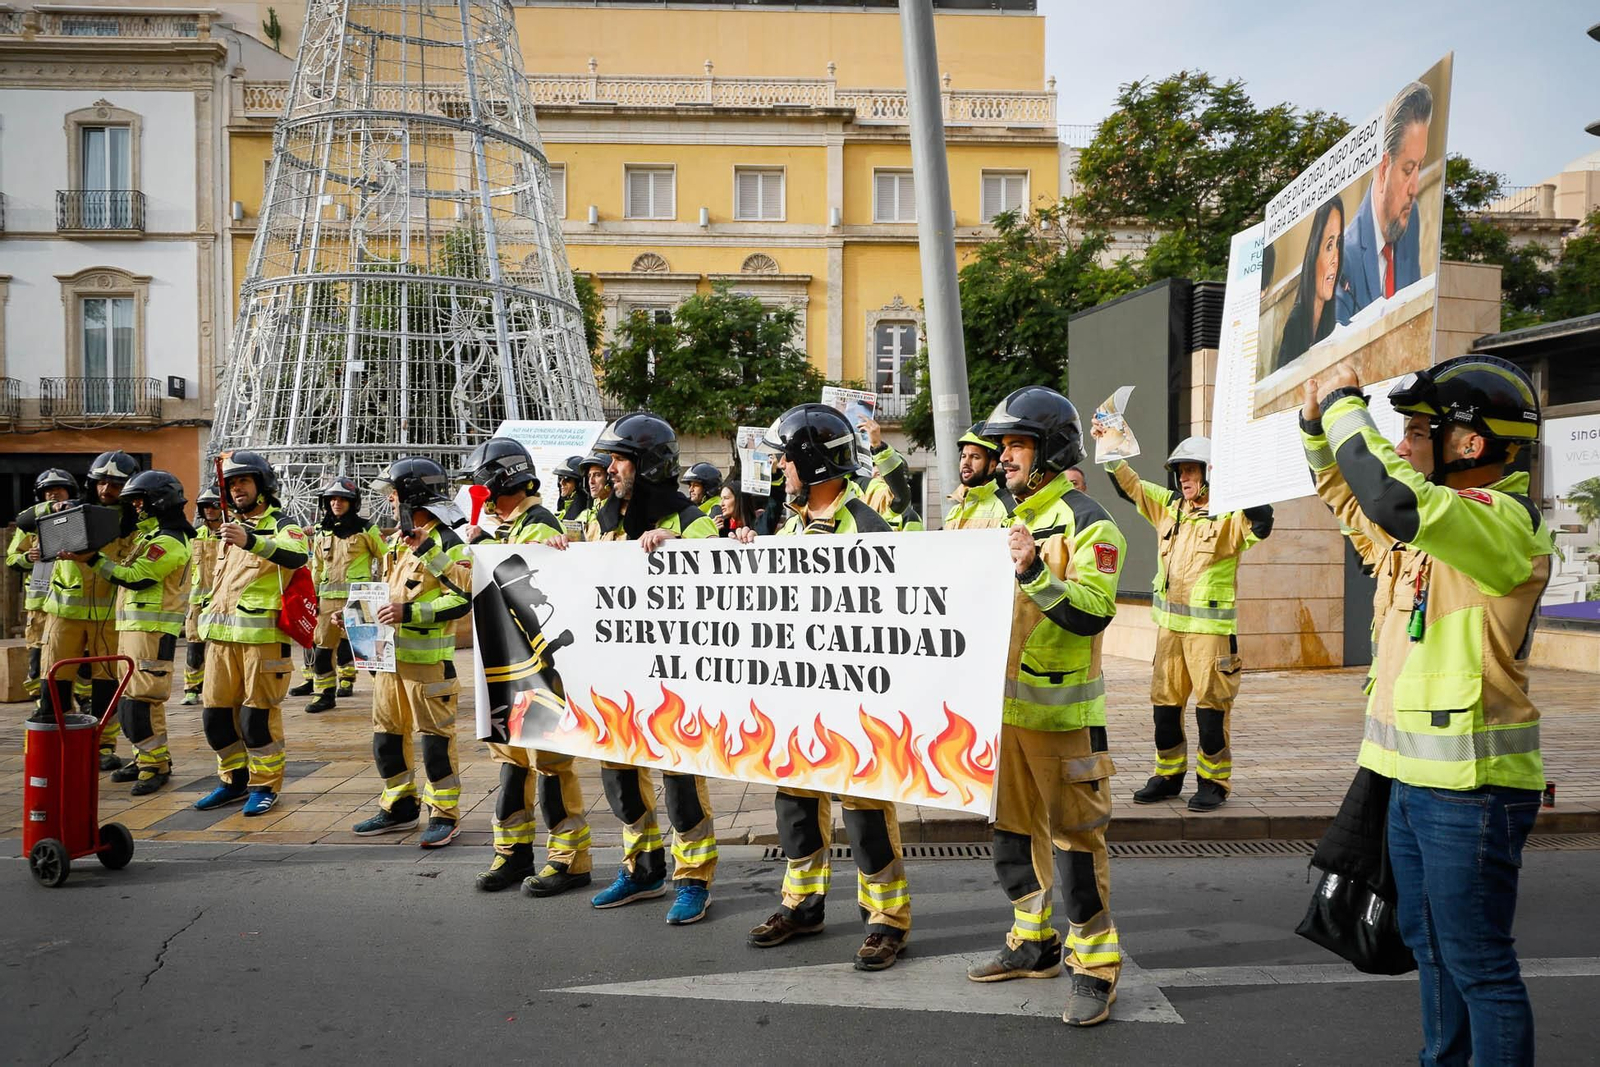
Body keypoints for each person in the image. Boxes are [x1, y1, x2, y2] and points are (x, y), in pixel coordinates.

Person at [1301, 355, 1550, 1065]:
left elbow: (1391, 498)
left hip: (1471, 791)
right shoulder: (1434, 533)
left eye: (1417, 430)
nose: (1404, 445)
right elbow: (1354, 496)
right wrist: (1318, 425)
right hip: (1411, 782)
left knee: (1479, 966)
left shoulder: (1502, 523)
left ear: (1471, 443)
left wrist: (1349, 402)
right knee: (1433, 952)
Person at [961, 387, 1127, 1027]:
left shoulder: (1090, 523)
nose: (1005, 457)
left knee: (1076, 847)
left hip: (1062, 722)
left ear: (1052, 449)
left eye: (1018, 445)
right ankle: (1032, 942)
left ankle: (1096, 969)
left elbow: (1093, 612)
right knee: (1009, 838)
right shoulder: (990, 519)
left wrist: (1034, 570)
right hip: (998, 719)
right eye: (1002, 446)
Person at [735, 403, 911, 971]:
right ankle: (802, 905)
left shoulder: (867, 525)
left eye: (785, 456)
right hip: (797, 702)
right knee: (796, 808)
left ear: (809, 462)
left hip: (854, 704)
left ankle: (886, 920)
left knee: (863, 815)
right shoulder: (787, 526)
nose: (779, 465)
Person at [585, 413, 722, 925]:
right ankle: (643, 870)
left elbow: (722, 589)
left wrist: (679, 551)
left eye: (619, 459)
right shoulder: (604, 520)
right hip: (617, 680)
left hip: (675, 681)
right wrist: (560, 554)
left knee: (680, 783)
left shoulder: (693, 520)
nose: (610, 468)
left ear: (647, 464)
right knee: (620, 779)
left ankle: (694, 878)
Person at [1099, 436, 1274, 811]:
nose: (1184, 478)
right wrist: (1111, 448)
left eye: (1191, 470)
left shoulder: (1229, 515)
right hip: (1169, 633)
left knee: (1211, 712)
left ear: (1211, 473)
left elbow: (1262, 523)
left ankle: (1213, 782)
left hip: (1210, 637)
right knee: (1164, 709)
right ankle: (1167, 776)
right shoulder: (1168, 507)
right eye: (1180, 471)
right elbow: (1129, 486)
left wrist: (1241, 482)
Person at [462, 439, 594, 897]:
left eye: (482, 481)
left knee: (551, 766)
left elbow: (532, 592)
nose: (477, 490)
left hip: (539, 673)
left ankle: (569, 859)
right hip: (504, 671)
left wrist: (484, 550)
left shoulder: (539, 527)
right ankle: (513, 854)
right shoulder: (496, 529)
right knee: (510, 765)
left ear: (503, 480)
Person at [349, 458, 472, 848]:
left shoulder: (449, 542)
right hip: (387, 662)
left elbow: (464, 598)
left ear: (413, 495)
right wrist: (355, 618)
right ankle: (399, 806)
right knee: (387, 737)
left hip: (428, 665)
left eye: (394, 492)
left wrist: (410, 612)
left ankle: (444, 813)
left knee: (434, 740)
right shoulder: (398, 540)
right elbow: (389, 595)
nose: (389, 499)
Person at [194, 451, 308, 816]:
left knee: (256, 719)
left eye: (243, 481)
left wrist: (251, 540)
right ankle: (232, 781)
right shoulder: (226, 528)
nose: (236, 490)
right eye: (230, 485)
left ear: (261, 484)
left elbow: (297, 554)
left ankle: (264, 786)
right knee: (215, 718)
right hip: (221, 641)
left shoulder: (281, 524)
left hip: (263, 641)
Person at [76, 471, 193, 796]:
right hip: (134, 631)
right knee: (137, 700)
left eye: (141, 501)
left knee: (138, 706)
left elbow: (137, 577)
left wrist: (94, 560)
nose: (137, 508)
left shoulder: (169, 540)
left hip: (152, 633)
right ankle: (151, 758)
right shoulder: (150, 536)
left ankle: (153, 766)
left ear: (160, 501)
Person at [37, 450, 142, 770]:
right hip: (63, 611)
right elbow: (30, 519)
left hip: (108, 615)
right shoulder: (69, 511)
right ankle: (54, 740)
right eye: (101, 482)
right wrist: (54, 507)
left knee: (106, 682)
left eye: (115, 484)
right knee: (53, 678)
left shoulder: (133, 523)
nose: (106, 490)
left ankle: (102, 745)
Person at [1338, 81, 1434, 323]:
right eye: (1408, 169)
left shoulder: (1411, 220)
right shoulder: (1344, 258)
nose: (1415, 188)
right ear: (1383, 169)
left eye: (1419, 168)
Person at [304, 477, 387, 713]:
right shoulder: (323, 531)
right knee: (322, 650)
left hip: (359, 599)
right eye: (332, 499)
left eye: (342, 499)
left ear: (353, 502)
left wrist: (380, 589)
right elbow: (316, 567)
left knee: (370, 653)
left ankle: (385, 695)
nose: (336, 503)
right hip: (328, 602)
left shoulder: (366, 528)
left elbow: (386, 557)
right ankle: (324, 695)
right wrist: (314, 599)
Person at [7, 469, 78, 704]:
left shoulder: (79, 521)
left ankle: (80, 700)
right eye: (47, 491)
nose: (53, 495)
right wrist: (28, 557)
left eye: (58, 489)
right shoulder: (29, 525)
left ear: (71, 492)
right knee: (38, 655)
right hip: (39, 606)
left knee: (75, 657)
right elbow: (11, 558)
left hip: (70, 605)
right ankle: (41, 701)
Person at [1275, 196, 1346, 369]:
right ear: (1314, 254)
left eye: (1338, 244)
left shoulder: (1331, 318)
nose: (1335, 259)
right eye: (1329, 246)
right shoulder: (1296, 323)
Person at [182, 487, 224, 705]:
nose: (209, 510)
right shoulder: (194, 536)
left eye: (214, 505)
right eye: (205, 506)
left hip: (223, 601)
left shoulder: (231, 535)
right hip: (197, 601)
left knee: (220, 648)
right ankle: (191, 688)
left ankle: (214, 688)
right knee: (194, 646)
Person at [857, 417, 923, 531]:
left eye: (882, 469)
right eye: (874, 467)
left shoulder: (909, 517)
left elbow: (914, 548)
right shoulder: (858, 506)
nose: (876, 471)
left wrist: (877, 445)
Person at [943, 424, 1010, 530]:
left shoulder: (1008, 506)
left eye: (975, 457)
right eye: (964, 456)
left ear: (992, 466)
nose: (966, 462)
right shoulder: (955, 511)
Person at [551, 454, 591, 527]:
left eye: (566, 479)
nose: (561, 483)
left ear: (579, 483)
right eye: (560, 478)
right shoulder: (560, 512)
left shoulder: (587, 515)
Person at [579, 452, 612, 529]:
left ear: (609, 479)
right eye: (589, 476)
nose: (591, 481)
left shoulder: (620, 514)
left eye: (597, 475)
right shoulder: (584, 516)